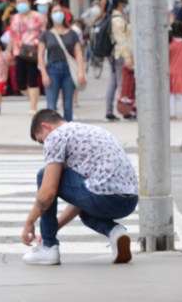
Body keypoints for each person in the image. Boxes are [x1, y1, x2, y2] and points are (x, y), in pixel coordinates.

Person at [21, 109, 139, 266]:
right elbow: (81, 199)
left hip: (103, 196)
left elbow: (48, 192)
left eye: (42, 140)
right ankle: (116, 233)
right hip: (129, 200)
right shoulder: (89, 130)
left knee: (44, 176)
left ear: (46, 126)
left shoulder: (56, 136)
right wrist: (53, 227)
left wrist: (29, 222)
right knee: (86, 212)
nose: (45, 146)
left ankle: (48, 247)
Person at [39, 7, 85, 121]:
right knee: (51, 106)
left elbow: (78, 53)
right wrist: (44, 74)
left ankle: (68, 131)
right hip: (52, 70)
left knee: (67, 104)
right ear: (50, 15)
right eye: (55, 12)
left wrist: (81, 72)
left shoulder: (72, 34)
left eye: (60, 11)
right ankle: (52, 133)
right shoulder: (46, 34)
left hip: (68, 70)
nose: (58, 13)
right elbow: (40, 55)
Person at [9, 0, 48, 114]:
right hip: (19, 51)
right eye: (18, 2)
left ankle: (33, 107)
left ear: (29, 2)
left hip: (33, 51)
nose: (21, 4)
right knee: (20, 82)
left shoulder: (38, 17)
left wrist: (40, 47)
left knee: (32, 79)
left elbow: (44, 33)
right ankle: (33, 99)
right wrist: (8, 51)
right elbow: (12, 35)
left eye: (23, 1)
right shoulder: (15, 18)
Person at [104, 0, 131, 121]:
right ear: (121, 4)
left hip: (114, 55)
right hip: (119, 55)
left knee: (114, 82)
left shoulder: (114, 17)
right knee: (121, 83)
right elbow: (122, 41)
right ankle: (124, 110)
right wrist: (128, 57)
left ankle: (109, 111)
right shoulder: (118, 20)